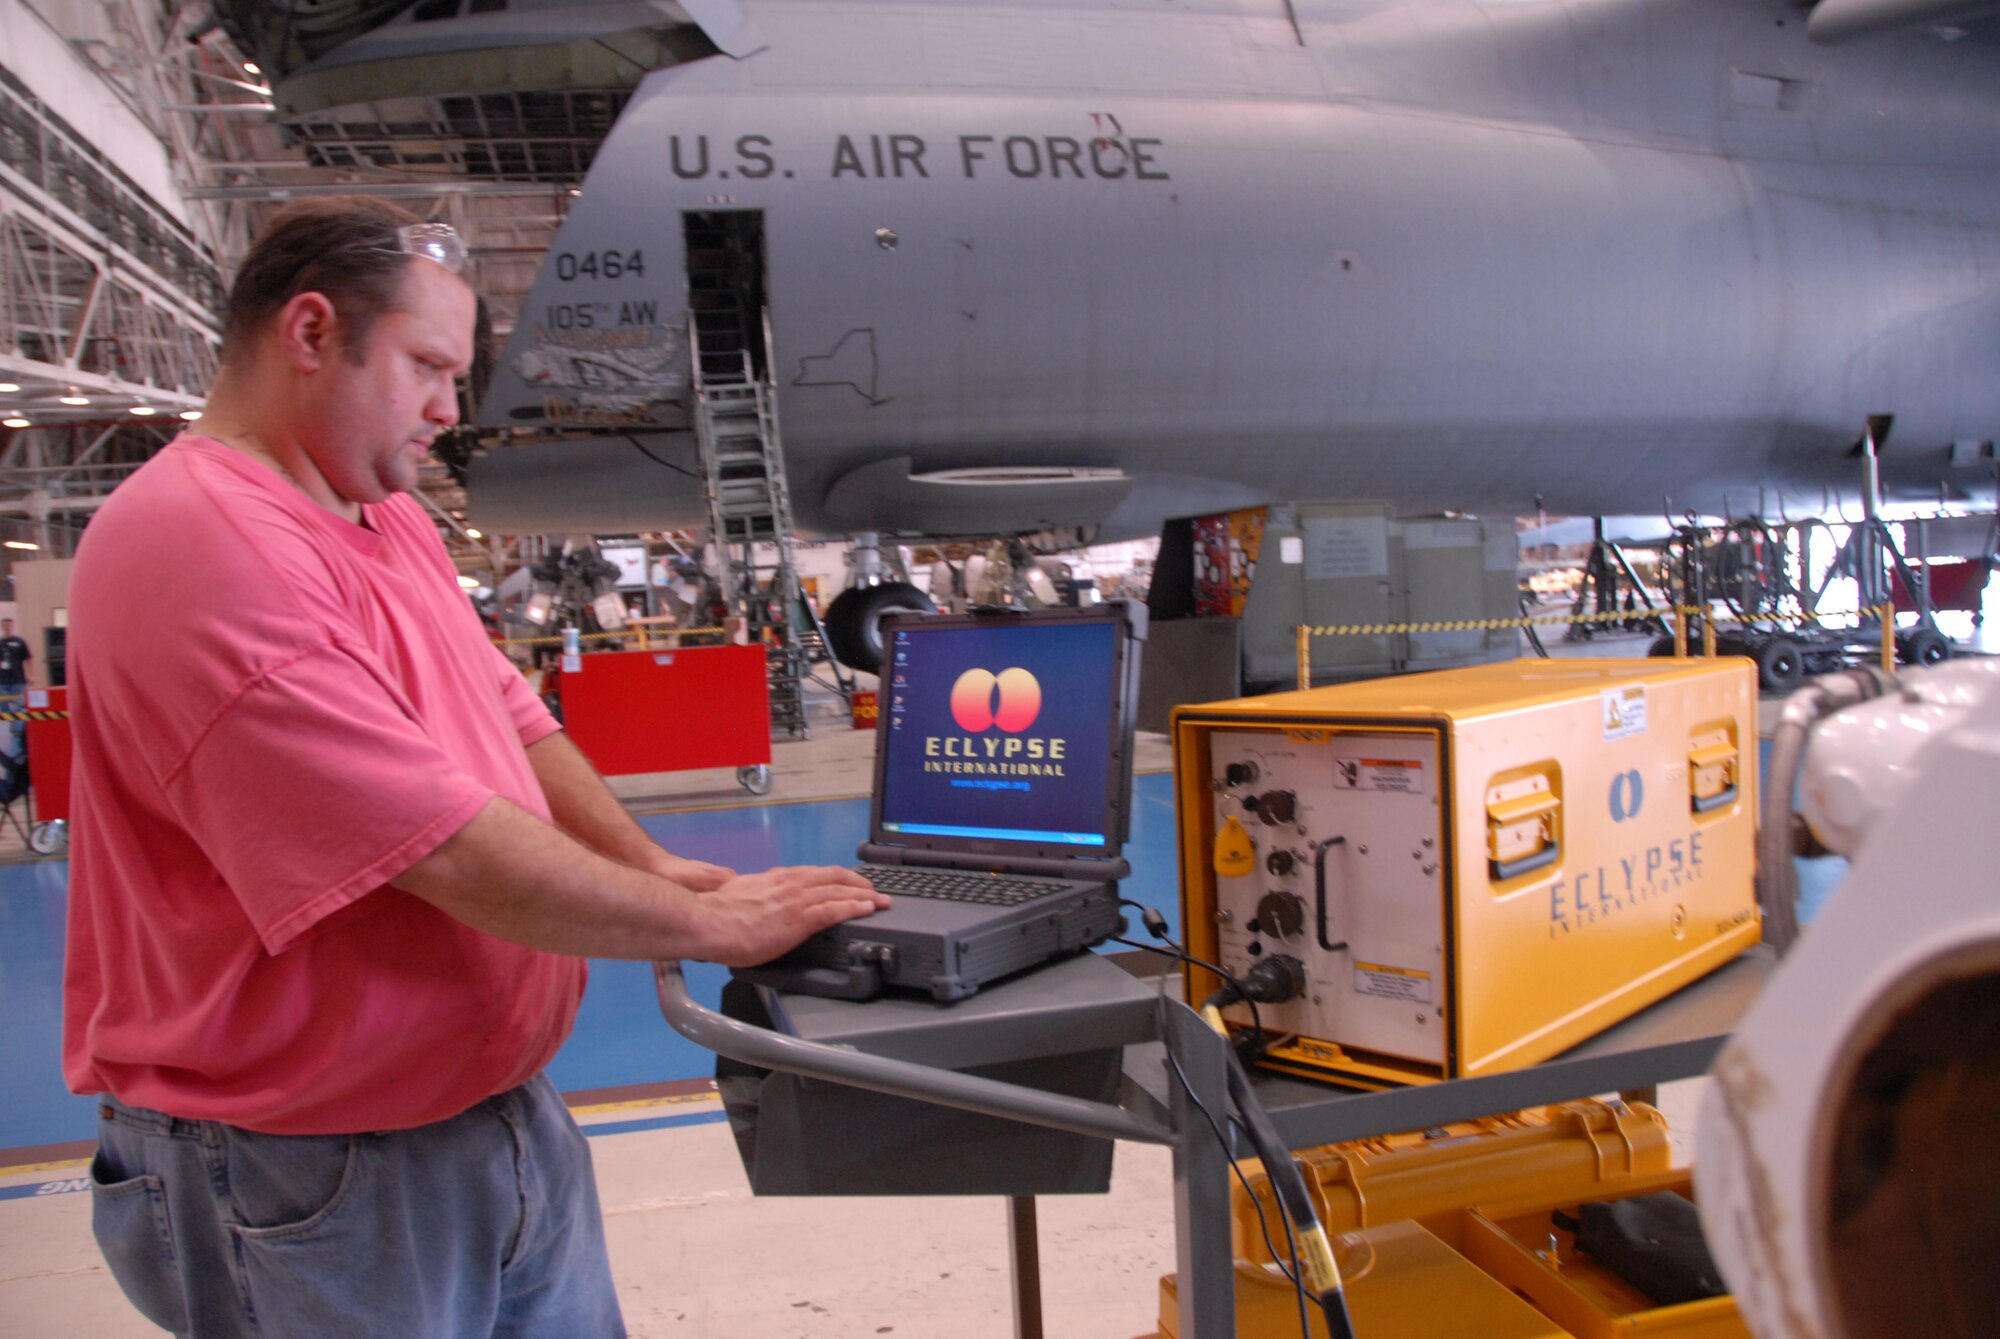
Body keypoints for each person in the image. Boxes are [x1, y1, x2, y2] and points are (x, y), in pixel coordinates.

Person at [61, 197, 888, 1339]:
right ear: (310, 333)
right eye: (426, 367)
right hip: (311, 1170)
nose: (449, 410)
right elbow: (432, 842)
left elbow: (507, 711)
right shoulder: (200, 539)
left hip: (487, 1120)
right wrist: (708, 927)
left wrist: (654, 864)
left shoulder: (374, 512)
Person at [0, 616, 29, 698]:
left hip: (18, 679)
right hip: (2, 681)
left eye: (9, 625)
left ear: (12, 626)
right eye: (5, 625)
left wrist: (30, 675)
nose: (7, 627)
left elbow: (28, 657)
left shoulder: (19, 642)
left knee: (18, 704)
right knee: (4, 705)